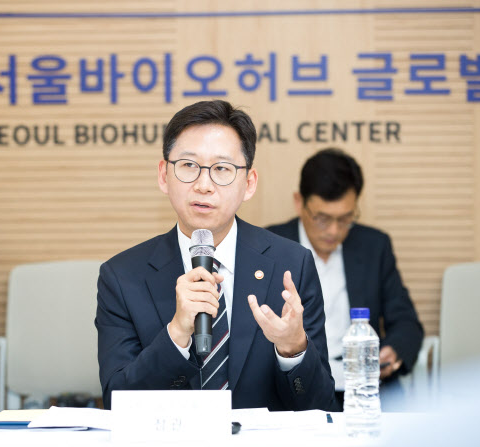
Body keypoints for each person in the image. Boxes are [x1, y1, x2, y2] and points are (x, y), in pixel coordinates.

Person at [95, 100, 336, 411]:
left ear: (249, 183)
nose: (203, 185)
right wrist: (177, 333)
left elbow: (323, 407)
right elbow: (117, 403)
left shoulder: (291, 265)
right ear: (163, 175)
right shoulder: (122, 277)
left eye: (222, 169)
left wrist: (293, 349)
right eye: (188, 165)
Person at [266, 148, 424, 407]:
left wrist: (392, 351)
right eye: (322, 218)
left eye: (345, 219)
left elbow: (406, 323)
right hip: (296, 385)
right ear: (299, 202)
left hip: (363, 385)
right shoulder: (270, 246)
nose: (333, 231)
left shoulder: (374, 246)